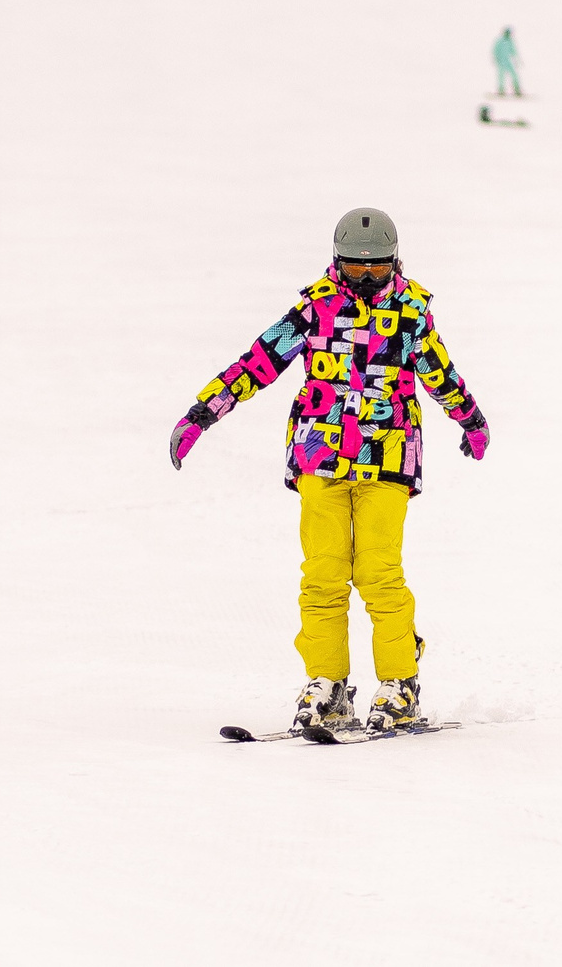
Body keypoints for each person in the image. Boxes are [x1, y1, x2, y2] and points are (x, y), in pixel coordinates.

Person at [168, 207, 491, 736]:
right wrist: (203, 413)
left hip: (387, 459)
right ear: (337, 262)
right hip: (321, 455)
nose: (366, 280)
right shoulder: (314, 310)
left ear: (395, 263)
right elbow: (259, 361)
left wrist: (469, 419)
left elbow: (438, 372)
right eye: (356, 269)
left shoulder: (411, 311)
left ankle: (399, 684)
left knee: (379, 574)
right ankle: (327, 685)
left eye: (378, 270)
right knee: (322, 575)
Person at [492, 26, 522, 97]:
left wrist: (517, 59)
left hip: (508, 61)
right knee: (501, 76)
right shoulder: (499, 41)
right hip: (501, 61)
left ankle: (517, 89)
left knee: (514, 74)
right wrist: (496, 59)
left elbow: (513, 51)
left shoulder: (510, 41)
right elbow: (495, 50)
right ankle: (501, 90)